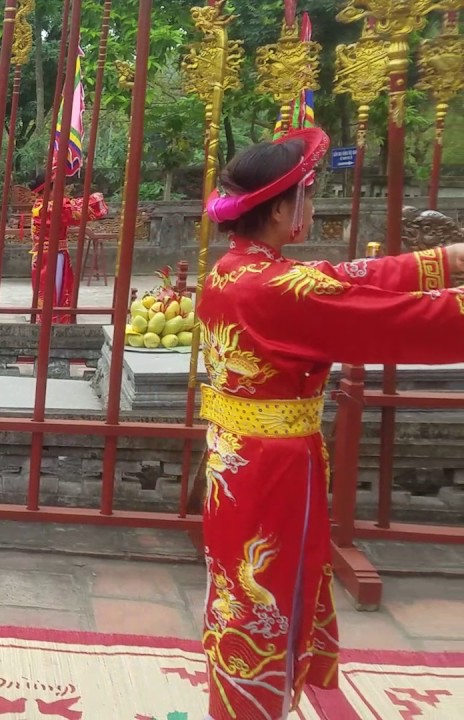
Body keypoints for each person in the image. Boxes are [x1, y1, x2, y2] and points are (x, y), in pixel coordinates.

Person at [198, 127, 464, 720]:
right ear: (278, 209)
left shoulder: (233, 272)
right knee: (268, 597)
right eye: (307, 197)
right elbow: (393, 319)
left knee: (239, 596)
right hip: (273, 473)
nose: (311, 208)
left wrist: (441, 262)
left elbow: (341, 280)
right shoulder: (280, 291)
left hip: (236, 461)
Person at [28, 171, 107, 324]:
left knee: (52, 291)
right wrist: (97, 198)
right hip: (51, 257)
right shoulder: (49, 207)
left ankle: (52, 321)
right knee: (54, 293)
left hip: (50, 255)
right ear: (48, 190)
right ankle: (53, 323)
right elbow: (74, 210)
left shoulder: (42, 204)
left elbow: (70, 205)